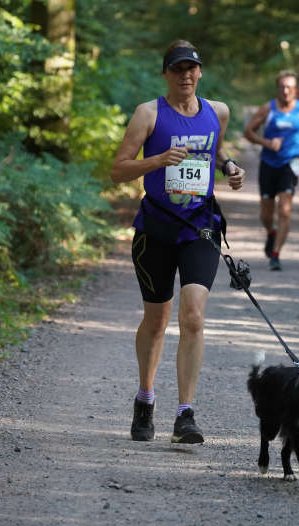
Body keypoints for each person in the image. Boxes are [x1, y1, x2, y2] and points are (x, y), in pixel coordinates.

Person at [110, 40, 246, 443]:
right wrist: (157, 160)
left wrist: (229, 166)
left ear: (200, 73)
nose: (186, 75)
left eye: (192, 68)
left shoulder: (217, 111)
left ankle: (186, 414)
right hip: (156, 227)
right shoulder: (148, 114)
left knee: (194, 316)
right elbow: (117, 171)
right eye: (178, 69)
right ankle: (145, 398)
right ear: (166, 74)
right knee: (157, 320)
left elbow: (216, 150)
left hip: (200, 226)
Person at [244, 70, 299, 271]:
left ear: (296, 89)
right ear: (277, 88)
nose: (286, 90)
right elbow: (248, 132)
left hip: (291, 163)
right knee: (266, 213)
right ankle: (271, 232)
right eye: (282, 87)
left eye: (290, 87)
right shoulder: (267, 109)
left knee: (285, 210)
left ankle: (276, 254)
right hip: (268, 164)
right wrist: (267, 143)